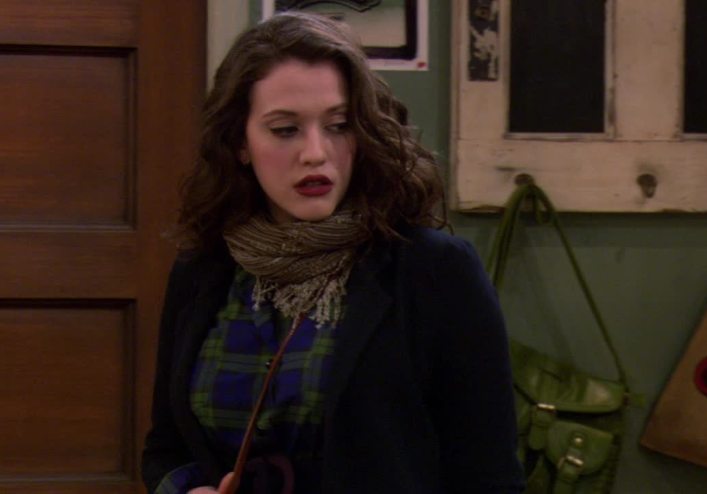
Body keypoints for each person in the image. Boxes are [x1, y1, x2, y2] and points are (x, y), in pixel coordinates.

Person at [141, 11, 523, 494]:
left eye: (339, 125)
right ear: (240, 143)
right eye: (285, 129)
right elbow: (166, 449)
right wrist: (184, 490)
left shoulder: (434, 270)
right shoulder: (204, 269)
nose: (316, 153)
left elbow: (489, 475)